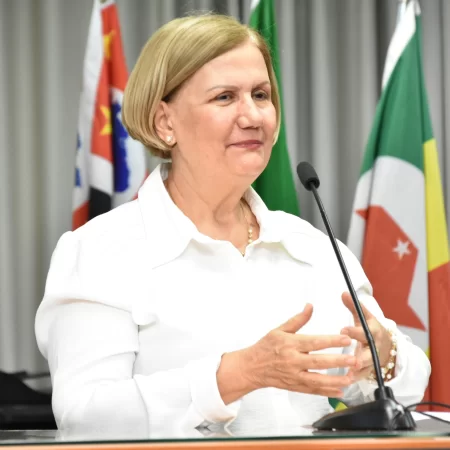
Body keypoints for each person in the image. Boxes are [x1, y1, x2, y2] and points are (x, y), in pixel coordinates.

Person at [35, 13, 430, 436]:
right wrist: (234, 376)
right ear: (165, 122)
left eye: (261, 94)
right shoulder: (102, 251)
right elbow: (85, 417)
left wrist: (384, 356)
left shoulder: (311, 247)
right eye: (224, 97)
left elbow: (408, 386)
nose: (253, 116)